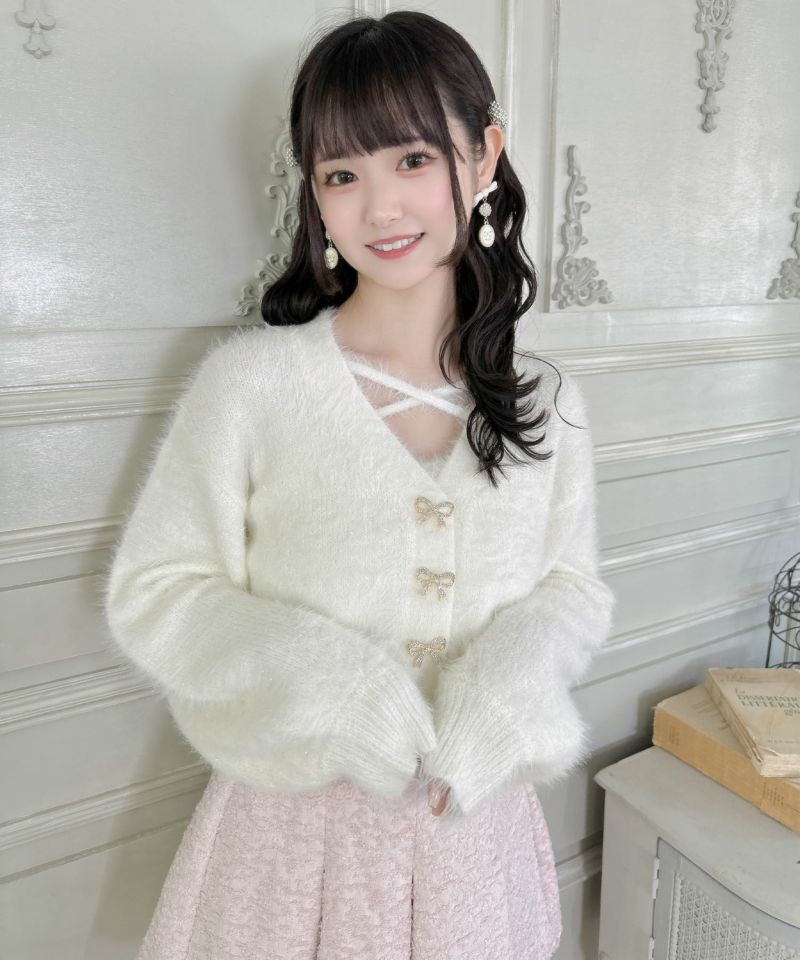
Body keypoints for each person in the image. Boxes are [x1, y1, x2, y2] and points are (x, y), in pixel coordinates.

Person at [103, 10, 615, 960]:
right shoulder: (252, 386)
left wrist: (500, 697)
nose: (379, 207)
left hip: (476, 844)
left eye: (413, 159)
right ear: (316, 195)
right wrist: (336, 690)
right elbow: (158, 591)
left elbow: (571, 589)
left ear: (484, 155)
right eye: (342, 174)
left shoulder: (548, 404)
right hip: (289, 847)